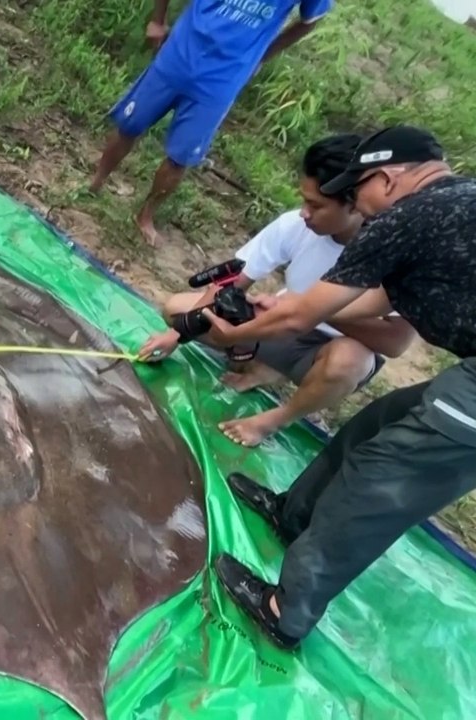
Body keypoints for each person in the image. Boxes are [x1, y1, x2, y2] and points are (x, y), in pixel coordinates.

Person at [193, 125, 476, 650]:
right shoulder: (451, 208)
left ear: (388, 179)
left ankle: (286, 610)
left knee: (380, 478)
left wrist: (243, 331)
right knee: (380, 421)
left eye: (359, 186)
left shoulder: (410, 216)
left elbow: (319, 316)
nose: (356, 200)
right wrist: (290, 308)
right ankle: (291, 514)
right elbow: (358, 304)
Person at [137, 134, 417, 447]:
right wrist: (179, 333)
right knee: (177, 309)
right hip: (281, 323)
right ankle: (265, 368)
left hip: (329, 347)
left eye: (316, 205)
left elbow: (395, 343)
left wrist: (312, 311)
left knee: (349, 362)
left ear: (356, 204)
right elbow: (232, 280)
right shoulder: (295, 226)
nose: (304, 213)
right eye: (304, 200)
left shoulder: (393, 252)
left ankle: (272, 420)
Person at [89, 0, 333, 246]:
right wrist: (157, 19)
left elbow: (308, 21)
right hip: (177, 55)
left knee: (180, 157)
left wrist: (261, 56)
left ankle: (145, 215)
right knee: (129, 126)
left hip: (223, 78)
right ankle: (95, 183)